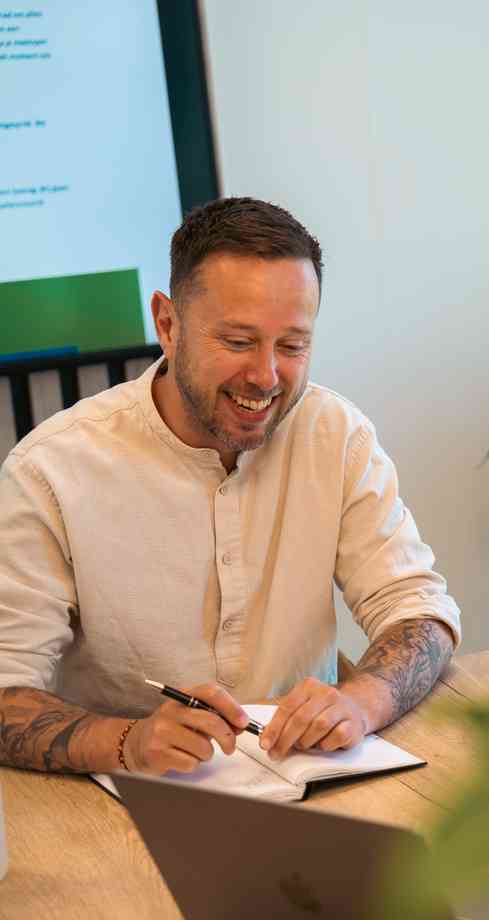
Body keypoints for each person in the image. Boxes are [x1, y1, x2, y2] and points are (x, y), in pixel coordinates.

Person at [0, 198, 460, 777]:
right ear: (168, 325)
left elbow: (420, 612)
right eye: (239, 342)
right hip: (117, 791)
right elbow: (6, 690)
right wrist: (128, 741)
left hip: (306, 776)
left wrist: (361, 702)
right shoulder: (50, 470)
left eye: (292, 346)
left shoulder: (336, 436)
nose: (266, 377)